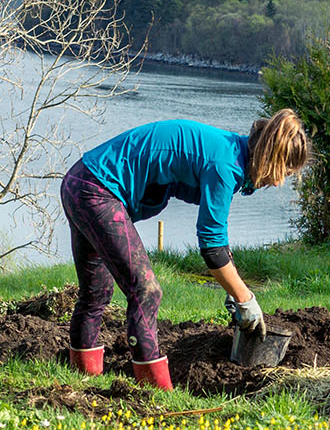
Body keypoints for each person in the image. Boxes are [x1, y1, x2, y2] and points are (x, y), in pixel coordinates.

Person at [59, 109, 312, 388]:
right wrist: (245, 298)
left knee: (97, 292)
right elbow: (212, 246)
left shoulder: (228, 150)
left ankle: (82, 379)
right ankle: (154, 388)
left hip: (79, 180)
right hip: (96, 190)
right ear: (270, 157)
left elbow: (209, 229)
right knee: (146, 290)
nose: (278, 182)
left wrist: (232, 287)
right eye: (283, 172)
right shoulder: (225, 165)